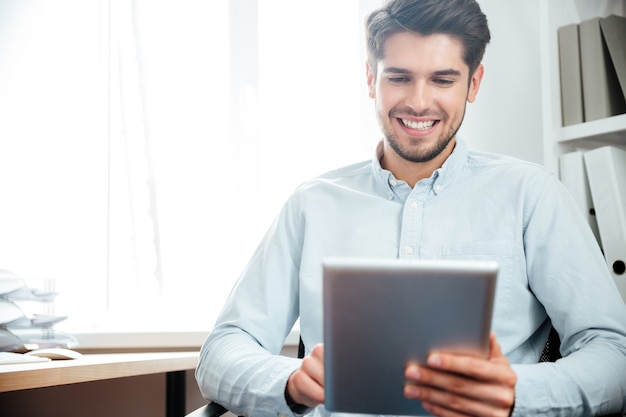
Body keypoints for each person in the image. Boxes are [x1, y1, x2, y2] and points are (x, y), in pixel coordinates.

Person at [196, 0, 626, 416]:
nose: (419, 102)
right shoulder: (311, 203)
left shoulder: (532, 195)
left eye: (443, 79)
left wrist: (515, 393)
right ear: (370, 79)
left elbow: (614, 355)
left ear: (473, 84)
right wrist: (288, 383)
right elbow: (223, 350)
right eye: (399, 77)